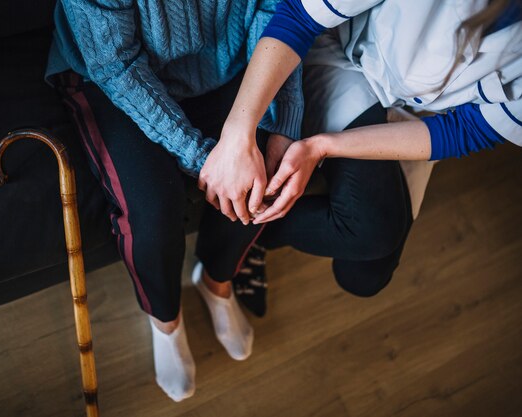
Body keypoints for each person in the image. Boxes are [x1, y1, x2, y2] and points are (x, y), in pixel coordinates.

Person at [45, 0, 304, 402]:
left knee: (265, 174)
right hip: (112, 73)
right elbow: (115, 65)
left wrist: (280, 120)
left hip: (229, 61)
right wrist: (206, 160)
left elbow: (280, 10)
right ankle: (165, 320)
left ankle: (217, 281)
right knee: (154, 211)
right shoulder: (111, 64)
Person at [200, 0, 521, 310]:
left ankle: (250, 236)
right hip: (345, 58)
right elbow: (298, 16)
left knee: (364, 278)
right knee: (372, 230)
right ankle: (238, 242)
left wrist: (322, 146)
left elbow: (466, 130)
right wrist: (237, 136)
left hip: (421, 116)